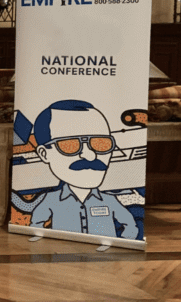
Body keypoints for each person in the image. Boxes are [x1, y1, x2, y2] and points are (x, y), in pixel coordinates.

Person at [26, 99, 139, 240]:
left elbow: (130, 225)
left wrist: (122, 244)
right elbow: (36, 223)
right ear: (44, 154)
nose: (90, 156)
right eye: (70, 145)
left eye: (101, 143)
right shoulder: (51, 200)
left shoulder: (110, 201)